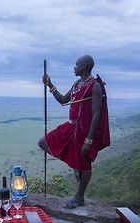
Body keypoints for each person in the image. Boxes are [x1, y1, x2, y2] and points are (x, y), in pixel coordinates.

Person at [38, 55, 110, 208]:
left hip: (84, 131)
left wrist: (89, 140)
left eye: (77, 64)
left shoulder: (94, 85)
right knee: (43, 142)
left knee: (85, 163)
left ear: (84, 66)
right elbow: (64, 100)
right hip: (70, 127)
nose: (74, 67)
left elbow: (96, 114)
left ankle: (79, 197)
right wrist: (50, 85)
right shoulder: (77, 84)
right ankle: (75, 166)